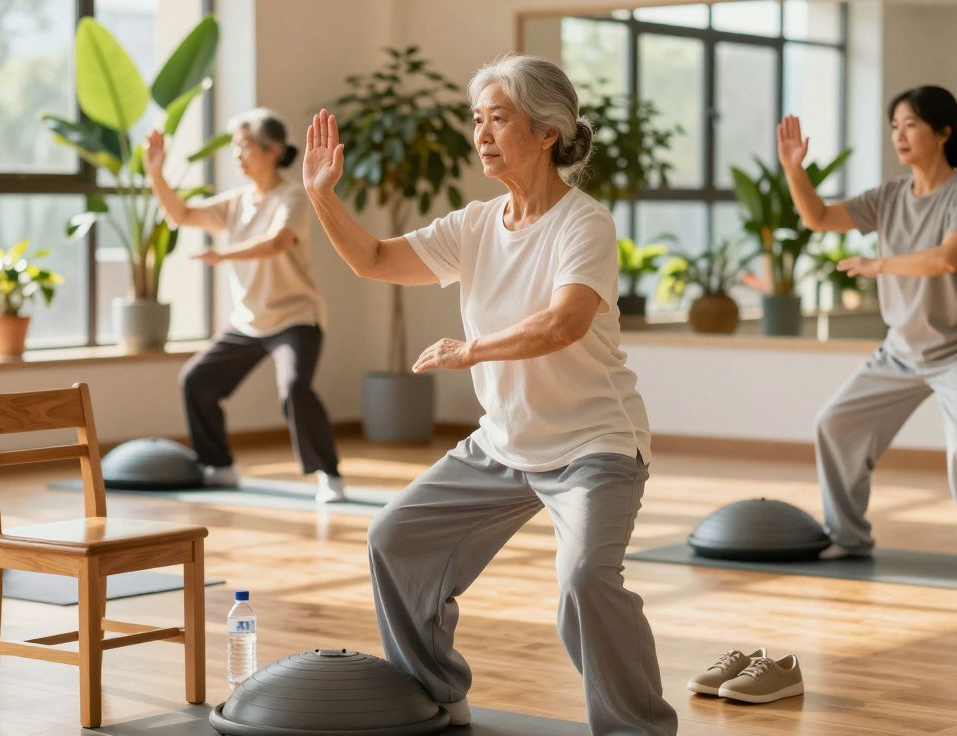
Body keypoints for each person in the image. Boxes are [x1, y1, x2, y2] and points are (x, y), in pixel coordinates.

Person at [302, 55, 677, 735]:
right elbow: (376, 260)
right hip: (504, 445)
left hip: (595, 447)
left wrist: (469, 350)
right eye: (476, 120)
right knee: (396, 539)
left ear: (546, 132)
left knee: (587, 584)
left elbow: (564, 323)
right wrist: (322, 197)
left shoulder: (582, 225)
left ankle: (638, 729)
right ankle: (436, 696)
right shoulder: (473, 226)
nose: (481, 134)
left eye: (498, 118)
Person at [777, 86, 957, 584]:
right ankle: (848, 538)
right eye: (894, 126)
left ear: (942, 132)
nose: (900, 135)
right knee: (835, 424)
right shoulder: (890, 195)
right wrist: (793, 168)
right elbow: (819, 218)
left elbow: (948, 258)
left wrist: (880, 263)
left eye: (911, 124)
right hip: (902, 350)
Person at [145, 108, 344, 502]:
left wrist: (223, 255)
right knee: (196, 380)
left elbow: (277, 242)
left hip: (295, 317)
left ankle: (329, 475)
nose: (236, 154)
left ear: (272, 150)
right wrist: (156, 174)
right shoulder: (235, 203)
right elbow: (182, 213)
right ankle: (219, 465)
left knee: (294, 389)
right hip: (249, 321)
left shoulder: (293, 196)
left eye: (244, 146)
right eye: (235, 147)